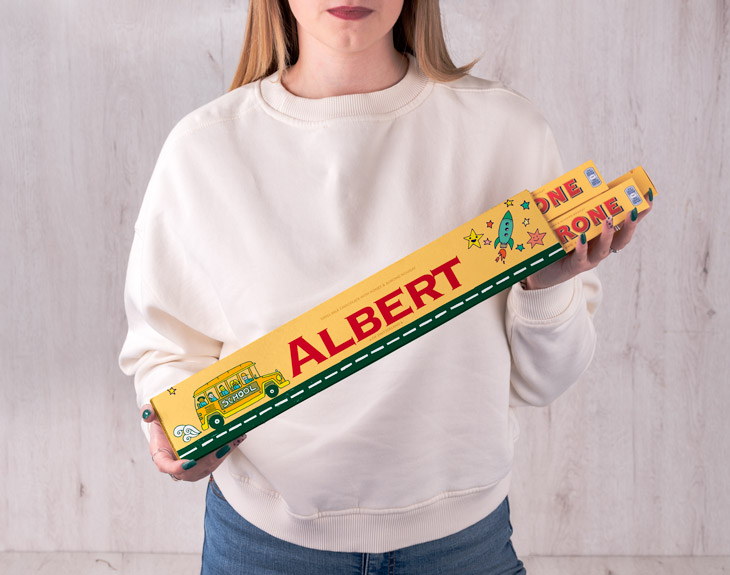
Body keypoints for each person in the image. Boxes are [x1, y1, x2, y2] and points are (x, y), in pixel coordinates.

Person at [119, 1, 652, 573]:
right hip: (264, 544)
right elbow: (167, 351)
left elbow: (544, 381)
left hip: (462, 547)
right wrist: (178, 431)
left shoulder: (506, 131)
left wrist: (543, 289)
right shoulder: (203, 148)